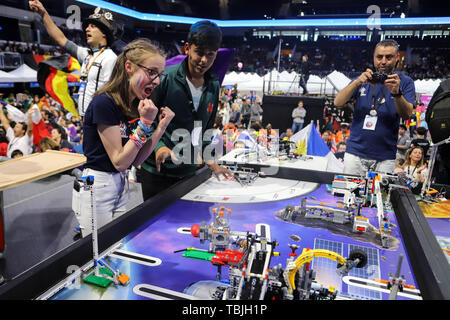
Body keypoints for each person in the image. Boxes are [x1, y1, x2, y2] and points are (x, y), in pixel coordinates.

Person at [79, 38, 174, 236]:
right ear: (129, 67)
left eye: (159, 75)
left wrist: (160, 128)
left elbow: (136, 160)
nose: (156, 81)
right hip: (97, 186)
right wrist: (145, 124)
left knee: (115, 247)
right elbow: (120, 162)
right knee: (96, 253)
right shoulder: (104, 103)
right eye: (151, 72)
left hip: (119, 186)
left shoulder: (131, 106)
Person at [139, 20, 232, 201]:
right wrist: (159, 147)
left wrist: (211, 162)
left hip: (189, 172)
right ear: (187, 48)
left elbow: (206, 129)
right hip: (157, 172)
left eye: (210, 55)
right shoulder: (165, 77)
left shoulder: (213, 85)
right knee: (155, 227)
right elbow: (144, 119)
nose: (204, 60)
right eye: (199, 52)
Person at [334, 39, 415, 176]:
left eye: (388, 57)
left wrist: (396, 93)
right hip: (355, 153)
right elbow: (338, 102)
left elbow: (406, 114)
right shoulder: (363, 79)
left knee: (379, 197)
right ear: (374, 58)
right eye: (379, 57)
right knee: (350, 193)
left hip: (385, 157)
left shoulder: (405, 82)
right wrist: (357, 82)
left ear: (397, 59)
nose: (383, 61)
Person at [29, 1, 118, 117]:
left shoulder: (111, 58)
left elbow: (112, 95)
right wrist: (43, 13)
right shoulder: (86, 54)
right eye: (87, 26)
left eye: (92, 26)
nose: (87, 29)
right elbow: (60, 39)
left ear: (104, 33)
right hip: (86, 119)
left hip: (100, 121)